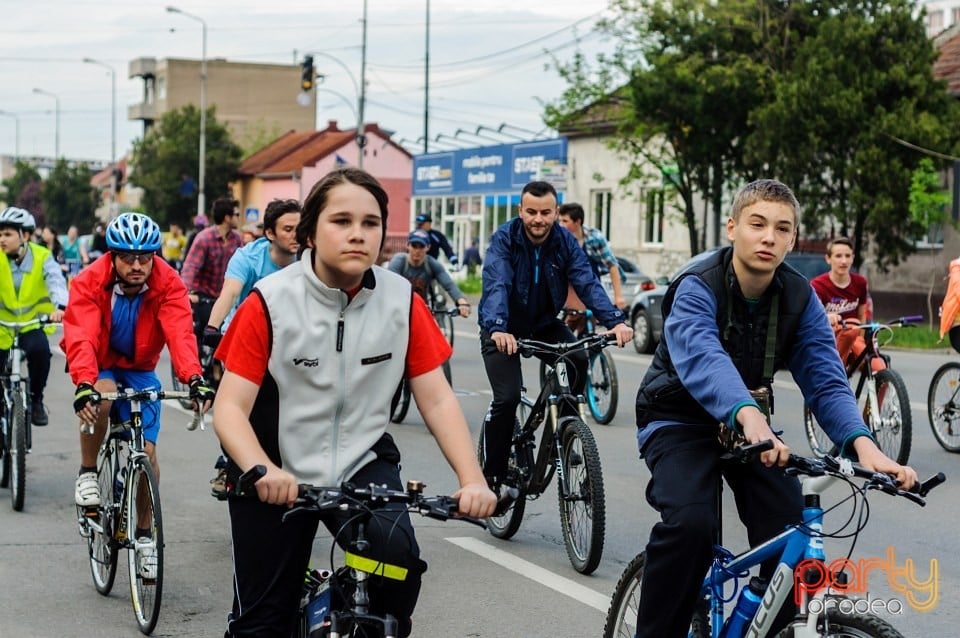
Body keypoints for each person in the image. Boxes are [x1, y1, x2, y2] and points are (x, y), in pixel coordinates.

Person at [212, 167, 495, 638]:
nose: (357, 234)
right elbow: (229, 409)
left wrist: (472, 480)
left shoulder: (401, 300)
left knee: (398, 571)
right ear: (310, 232)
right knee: (262, 624)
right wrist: (262, 470)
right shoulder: (269, 301)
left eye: (370, 223)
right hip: (272, 468)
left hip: (361, 461)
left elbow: (438, 398)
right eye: (341, 221)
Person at [632, 179, 917, 638]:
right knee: (691, 526)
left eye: (782, 228)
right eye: (757, 224)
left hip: (751, 428)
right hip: (678, 419)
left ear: (792, 238)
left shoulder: (799, 297)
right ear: (732, 228)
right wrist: (750, 417)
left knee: (794, 542)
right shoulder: (695, 286)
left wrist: (868, 450)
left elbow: (825, 382)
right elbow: (705, 359)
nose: (769, 236)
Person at [63, 213, 213, 559]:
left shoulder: (168, 282)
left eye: (145, 257)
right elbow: (81, 334)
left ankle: (145, 536)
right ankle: (88, 473)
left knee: (148, 454)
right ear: (112, 256)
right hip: (99, 361)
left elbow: (179, 332)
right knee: (99, 399)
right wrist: (84, 382)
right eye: (128, 257)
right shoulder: (89, 280)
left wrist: (194, 378)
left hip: (141, 367)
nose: (137, 265)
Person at [477, 181, 632, 494]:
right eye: (531, 212)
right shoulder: (505, 239)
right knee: (506, 399)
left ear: (556, 212)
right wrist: (497, 326)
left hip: (544, 322)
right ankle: (491, 477)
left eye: (545, 212)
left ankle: (564, 429)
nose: (538, 219)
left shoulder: (564, 242)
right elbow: (498, 284)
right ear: (520, 211)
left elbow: (586, 282)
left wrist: (615, 321)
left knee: (577, 357)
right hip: (503, 326)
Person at [203, 198, 301, 498]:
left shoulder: (310, 261)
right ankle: (229, 460)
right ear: (270, 233)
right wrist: (212, 328)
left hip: (292, 339)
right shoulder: (248, 257)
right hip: (245, 339)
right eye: (288, 229)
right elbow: (230, 293)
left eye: (301, 228)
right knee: (232, 406)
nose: (296, 235)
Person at [0, 207, 68, 426]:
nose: (2, 239)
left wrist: (60, 306)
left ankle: (36, 399)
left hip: (31, 325)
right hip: (2, 328)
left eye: (8, 234)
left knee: (41, 353)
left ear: (25, 236)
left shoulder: (42, 256)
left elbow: (56, 280)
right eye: (0, 234)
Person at [809, 237, 883, 374]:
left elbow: (862, 314)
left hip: (855, 337)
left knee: (880, 369)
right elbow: (813, 317)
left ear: (853, 258)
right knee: (851, 326)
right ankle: (836, 372)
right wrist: (827, 316)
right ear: (828, 258)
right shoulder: (817, 285)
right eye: (838, 256)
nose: (843, 261)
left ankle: (873, 395)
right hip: (830, 339)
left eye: (847, 256)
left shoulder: (860, 283)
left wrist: (860, 338)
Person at [180, 197, 243, 343]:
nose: (239, 218)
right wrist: (183, 294)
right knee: (203, 331)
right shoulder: (204, 239)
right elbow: (191, 268)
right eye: (237, 215)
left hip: (228, 297)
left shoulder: (237, 240)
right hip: (205, 297)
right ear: (227, 218)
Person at [557, 202, 627, 309]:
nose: (561, 225)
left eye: (565, 221)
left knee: (592, 317)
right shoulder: (558, 239)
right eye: (559, 221)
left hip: (591, 287)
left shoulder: (594, 238)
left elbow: (612, 265)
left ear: (577, 222)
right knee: (571, 319)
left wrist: (618, 297)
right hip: (568, 288)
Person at [388, 229, 470, 315]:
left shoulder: (431, 263)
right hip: (401, 307)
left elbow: (449, 284)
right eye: (414, 246)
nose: (417, 250)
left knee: (438, 308)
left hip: (422, 309)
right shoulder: (399, 261)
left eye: (421, 246)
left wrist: (462, 302)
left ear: (428, 247)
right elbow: (390, 286)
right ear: (407, 245)